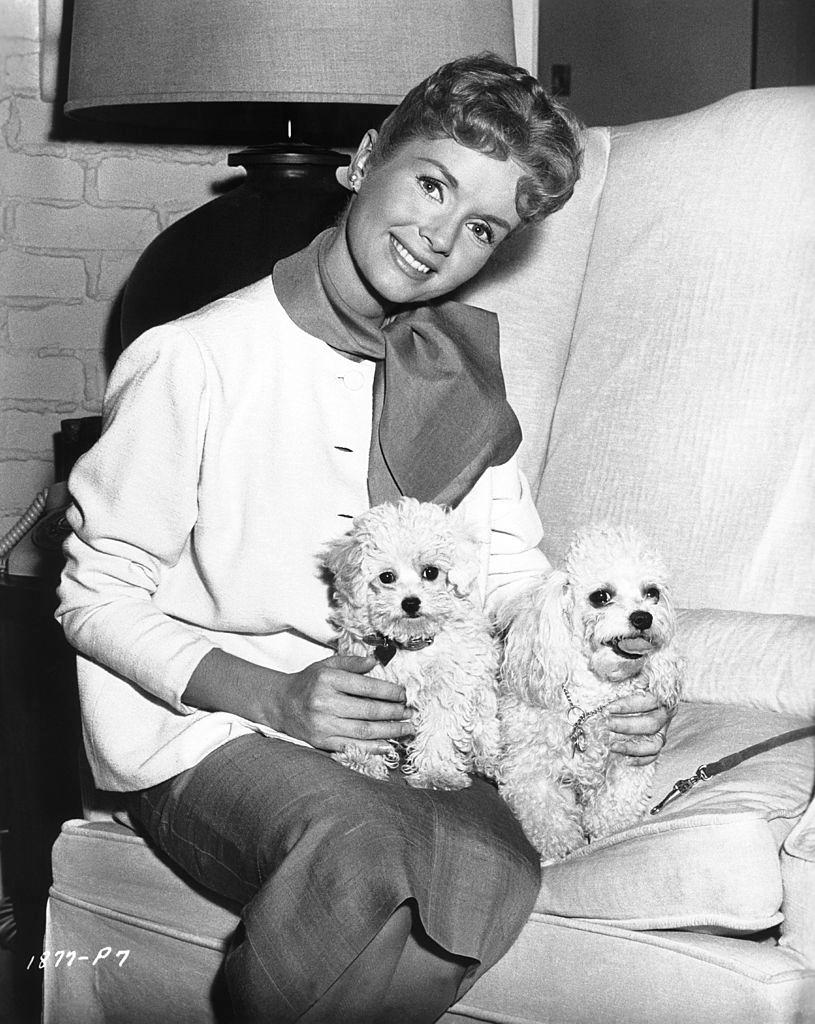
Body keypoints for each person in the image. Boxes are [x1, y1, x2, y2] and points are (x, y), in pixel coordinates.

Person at [57, 53, 671, 1023]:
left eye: (479, 227)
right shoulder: (196, 357)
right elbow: (94, 594)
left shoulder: (461, 377)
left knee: (497, 865)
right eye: (430, 184)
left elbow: (509, 577)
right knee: (363, 844)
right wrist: (275, 695)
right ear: (365, 157)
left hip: (401, 730)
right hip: (208, 730)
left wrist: (603, 672)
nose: (439, 239)